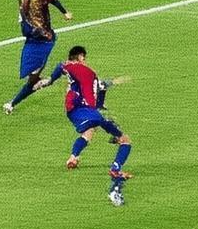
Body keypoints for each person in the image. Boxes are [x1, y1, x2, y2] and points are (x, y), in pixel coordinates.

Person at [34, 45, 133, 206]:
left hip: (74, 111)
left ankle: (73, 157)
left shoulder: (73, 71)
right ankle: (115, 169)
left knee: (88, 132)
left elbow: (59, 71)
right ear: (80, 57)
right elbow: (100, 89)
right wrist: (113, 83)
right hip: (89, 111)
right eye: (84, 58)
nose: (85, 61)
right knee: (125, 139)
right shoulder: (85, 71)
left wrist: (46, 82)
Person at [3, 0, 72, 114]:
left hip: (43, 40)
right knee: (32, 77)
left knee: (33, 78)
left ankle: (12, 103)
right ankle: (42, 82)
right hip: (32, 40)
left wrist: (64, 12)